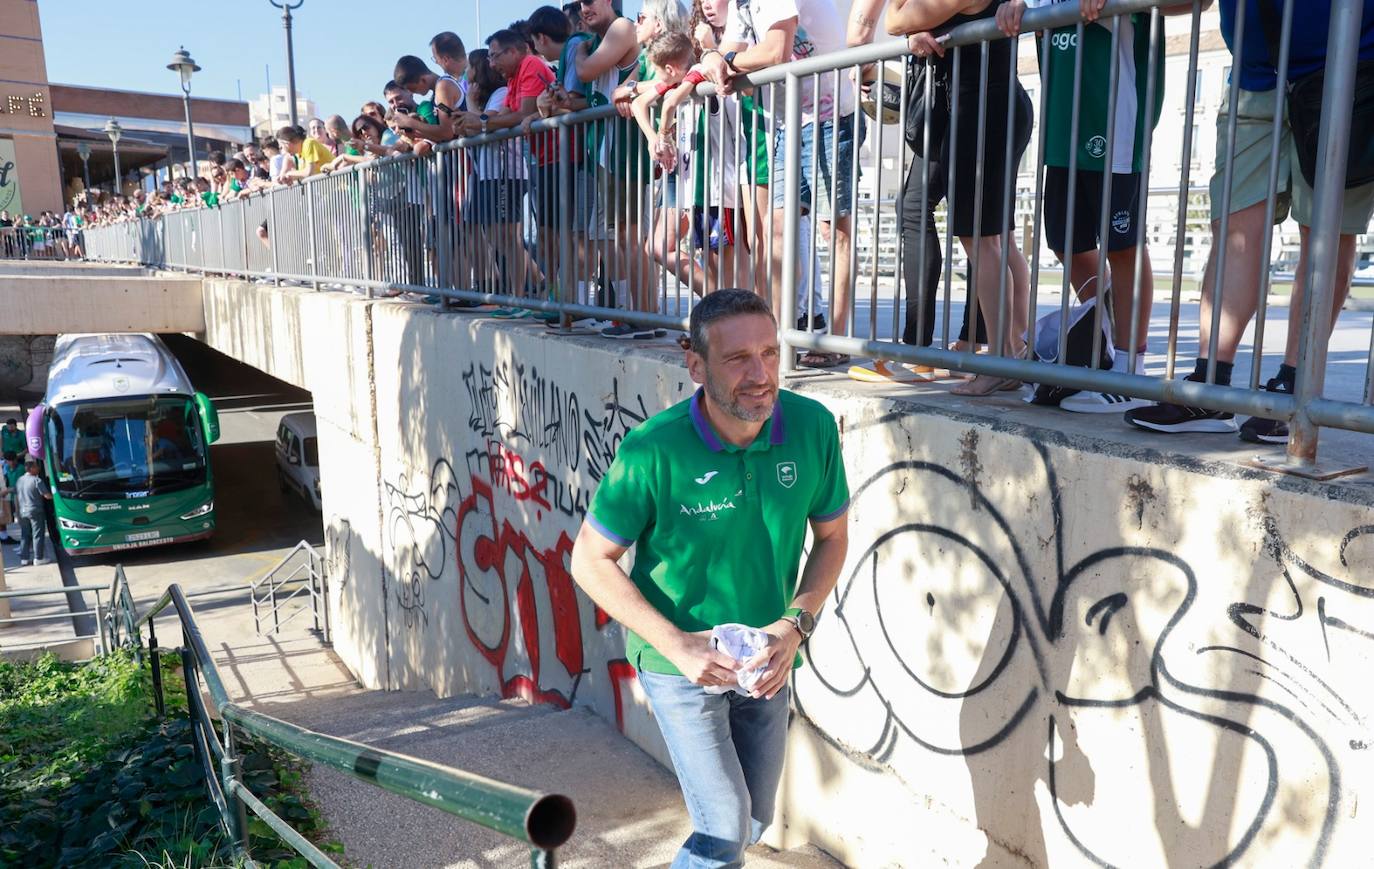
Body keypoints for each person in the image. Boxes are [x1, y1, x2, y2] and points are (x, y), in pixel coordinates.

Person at [570, 289, 849, 867]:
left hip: (768, 660)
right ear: (694, 364)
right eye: (737, 359)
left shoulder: (813, 427)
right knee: (722, 826)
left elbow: (832, 538)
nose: (760, 374)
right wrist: (677, 645)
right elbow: (589, 560)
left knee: (751, 819)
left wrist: (793, 627)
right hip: (680, 662)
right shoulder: (653, 449)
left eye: (770, 354)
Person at [1126, 0, 1374, 443]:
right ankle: (1209, 385)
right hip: (1255, 77)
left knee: (1327, 235)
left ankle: (1299, 392)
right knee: (1234, 232)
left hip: (1350, 74)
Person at [702, 0, 863, 368]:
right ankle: (776, 336)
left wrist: (723, 59)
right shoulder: (743, 7)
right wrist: (718, 58)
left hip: (830, 114)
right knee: (775, 231)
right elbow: (734, 60)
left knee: (834, 229)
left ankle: (834, 340)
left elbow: (775, 50)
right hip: (786, 122)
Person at [886, 0, 1033, 395]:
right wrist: (920, 29)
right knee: (999, 241)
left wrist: (914, 27)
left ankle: (1002, 359)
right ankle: (1015, 354)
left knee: (981, 242)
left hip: (981, 110)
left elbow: (894, 18)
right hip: (994, 104)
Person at [15, 459, 51, 566]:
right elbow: (47, 495)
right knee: (38, 534)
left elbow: (16, 496)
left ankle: (24, 559)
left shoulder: (19, 480)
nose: (38, 468)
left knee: (25, 535)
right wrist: (57, 497)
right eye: (36, 467)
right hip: (35, 511)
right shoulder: (37, 480)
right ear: (31, 469)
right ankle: (38, 558)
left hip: (23, 511)